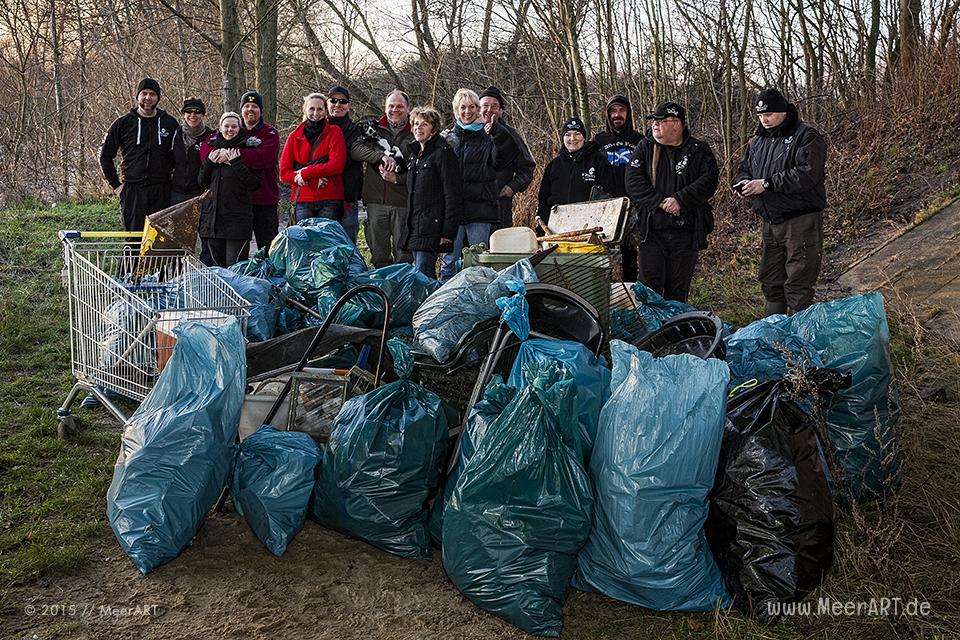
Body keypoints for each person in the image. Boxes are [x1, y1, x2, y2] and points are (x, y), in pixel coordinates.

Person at [734, 88, 827, 315]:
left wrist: (767, 184)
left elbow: (808, 173)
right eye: (760, 116)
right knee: (771, 280)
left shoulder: (806, 136)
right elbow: (744, 168)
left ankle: (799, 339)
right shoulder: (757, 141)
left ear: (784, 111)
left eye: (769, 115)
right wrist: (743, 183)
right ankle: (773, 332)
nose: (764, 120)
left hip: (800, 219)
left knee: (798, 282)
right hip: (770, 219)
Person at [625, 101, 719, 303]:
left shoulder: (698, 150)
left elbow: (709, 180)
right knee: (649, 288)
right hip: (652, 231)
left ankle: (676, 330)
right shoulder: (645, 147)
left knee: (678, 289)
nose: (655, 125)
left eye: (661, 121)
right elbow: (632, 182)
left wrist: (680, 200)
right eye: (654, 121)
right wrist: (660, 202)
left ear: (677, 124)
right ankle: (652, 331)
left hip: (686, 232)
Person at [98, 78, 178, 231]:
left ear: (158, 98)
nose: (148, 98)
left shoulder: (170, 123)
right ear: (138, 96)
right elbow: (104, 155)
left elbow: (179, 157)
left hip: (161, 191)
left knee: (159, 241)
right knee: (133, 240)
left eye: (152, 94)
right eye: (144, 94)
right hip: (132, 191)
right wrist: (116, 186)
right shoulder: (123, 123)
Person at [440, 88, 501, 280]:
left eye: (472, 107)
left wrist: (498, 134)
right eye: (462, 107)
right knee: (449, 261)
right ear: (456, 111)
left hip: (480, 210)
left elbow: (501, 162)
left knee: (478, 262)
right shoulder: (447, 140)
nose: (467, 111)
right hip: (452, 211)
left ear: (478, 109)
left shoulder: (488, 138)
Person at [353, 89, 414, 268]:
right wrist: (380, 156)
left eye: (400, 106)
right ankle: (382, 291)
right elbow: (355, 149)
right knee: (379, 254)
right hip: (376, 201)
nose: (395, 110)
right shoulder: (372, 128)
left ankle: (403, 291)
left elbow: (423, 168)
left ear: (408, 108)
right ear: (385, 108)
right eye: (391, 106)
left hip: (403, 201)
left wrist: (398, 179)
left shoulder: (417, 129)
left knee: (404, 254)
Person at [399, 106, 462, 278]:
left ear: (434, 129)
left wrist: (448, 232)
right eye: (416, 124)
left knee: (423, 275)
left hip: (432, 227)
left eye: (424, 124)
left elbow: (453, 195)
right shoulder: (415, 156)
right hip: (415, 227)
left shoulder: (443, 153)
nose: (419, 127)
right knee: (420, 276)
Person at [197, 112, 261, 267]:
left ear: (239, 128)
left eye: (234, 126)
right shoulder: (212, 150)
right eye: (226, 126)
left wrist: (236, 162)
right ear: (220, 128)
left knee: (236, 268)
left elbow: (254, 184)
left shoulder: (248, 149)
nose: (230, 129)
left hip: (237, 222)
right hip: (213, 220)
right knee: (217, 270)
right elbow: (201, 182)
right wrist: (209, 163)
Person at [593, 94, 644, 280]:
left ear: (628, 113)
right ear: (607, 114)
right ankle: (604, 291)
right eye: (613, 111)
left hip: (632, 204)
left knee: (630, 253)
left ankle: (631, 290)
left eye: (621, 110)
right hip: (605, 204)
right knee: (603, 253)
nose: (617, 114)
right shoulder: (598, 140)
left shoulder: (639, 140)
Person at [279, 93, 347, 224]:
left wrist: (305, 172)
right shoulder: (294, 137)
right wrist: (312, 181)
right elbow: (284, 173)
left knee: (328, 243)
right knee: (306, 243)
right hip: (303, 200)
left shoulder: (334, 132)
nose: (316, 113)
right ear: (304, 109)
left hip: (330, 198)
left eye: (320, 109)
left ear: (326, 111)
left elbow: (337, 165)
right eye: (311, 109)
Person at [478, 86, 535, 229]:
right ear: (478, 108)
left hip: (500, 207)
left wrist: (512, 187)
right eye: (485, 105)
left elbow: (527, 167)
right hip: (471, 209)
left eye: (494, 106)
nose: (489, 109)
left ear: (501, 111)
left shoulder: (510, 135)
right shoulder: (469, 133)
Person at [536, 117, 606, 228]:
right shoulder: (554, 166)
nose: (572, 138)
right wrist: (542, 226)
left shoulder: (597, 160)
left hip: (590, 223)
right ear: (563, 138)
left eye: (577, 134)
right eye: (568, 134)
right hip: (557, 224)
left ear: (584, 137)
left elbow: (608, 194)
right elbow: (543, 199)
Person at [238, 91, 280, 256]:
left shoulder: (270, 133)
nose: (250, 109)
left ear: (260, 110)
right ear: (241, 109)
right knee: (239, 250)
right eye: (246, 106)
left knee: (269, 249)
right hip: (239, 201)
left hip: (265, 200)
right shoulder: (233, 129)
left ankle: (271, 280)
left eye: (254, 106)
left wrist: (235, 155)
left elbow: (264, 159)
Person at [327, 85, 363, 243]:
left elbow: (346, 158)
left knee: (347, 243)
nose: (337, 104)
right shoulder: (317, 128)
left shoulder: (357, 131)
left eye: (343, 101)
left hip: (347, 196)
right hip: (322, 195)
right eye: (333, 100)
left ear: (348, 106)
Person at [170, 97, 213, 205]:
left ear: (203, 115)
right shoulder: (175, 134)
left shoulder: (210, 136)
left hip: (200, 193)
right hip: (176, 192)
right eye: (189, 111)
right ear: (183, 114)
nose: (193, 115)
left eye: (197, 112)